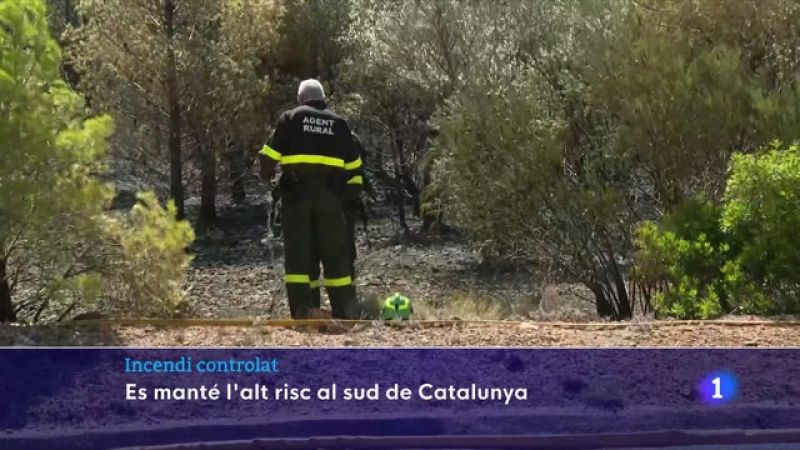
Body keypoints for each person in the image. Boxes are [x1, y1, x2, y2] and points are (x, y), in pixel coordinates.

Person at [258, 79, 363, 319]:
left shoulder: (290, 119)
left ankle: (306, 313)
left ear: (300, 99)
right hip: (331, 201)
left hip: (297, 200)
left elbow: (269, 157)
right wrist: (343, 200)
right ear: (323, 98)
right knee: (336, 256)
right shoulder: (339, 123)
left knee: (300, 257)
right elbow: (355, 169)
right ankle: (345, 312)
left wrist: (270, 181)